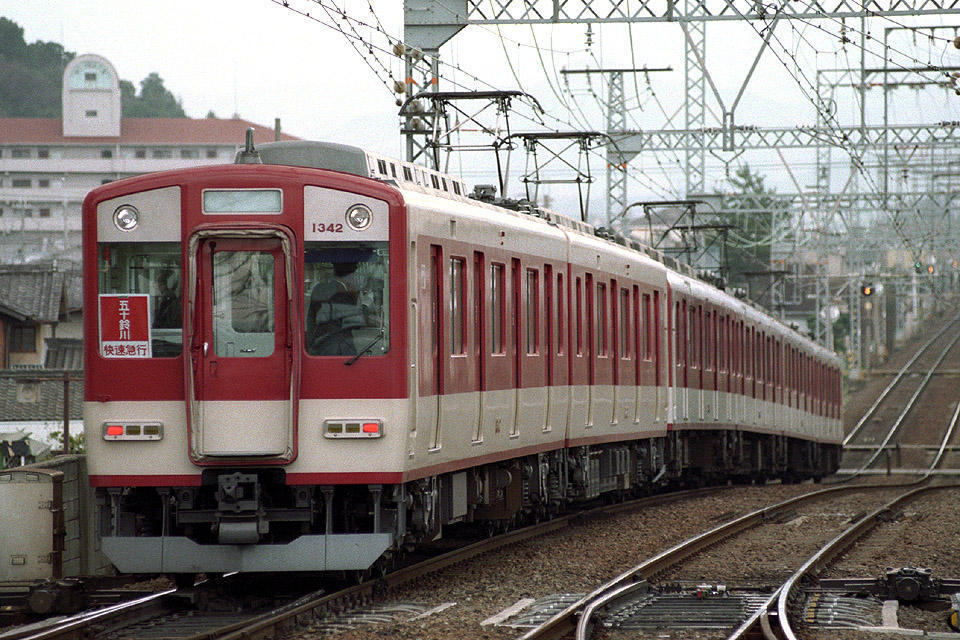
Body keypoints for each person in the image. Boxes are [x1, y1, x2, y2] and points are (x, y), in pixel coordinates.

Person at [306, 261, 365, 355]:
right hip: (339, 349)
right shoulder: (343, 294)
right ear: (351, 276)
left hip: (318, 347)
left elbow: (311, 319)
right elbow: (356, 323)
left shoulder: (318, 288)